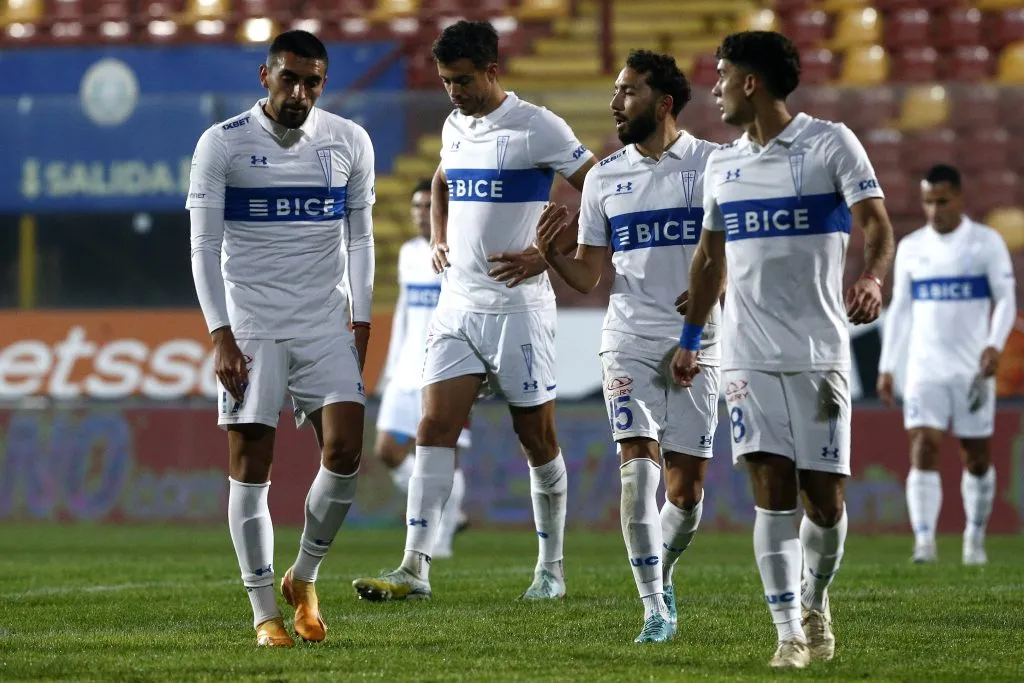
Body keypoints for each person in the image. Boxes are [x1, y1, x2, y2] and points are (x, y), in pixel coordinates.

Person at [670, 31, 895, 668]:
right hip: (746, 354)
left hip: (821, 354)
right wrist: (692, 340)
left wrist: (872, 277)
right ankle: (787, 632)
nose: (711, 90)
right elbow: (710, 255)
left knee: (824, 502)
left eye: (720, 77)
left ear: (751, 82)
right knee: (771, 485)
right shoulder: (721, 164)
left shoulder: (829, 144)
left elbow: (877, 222)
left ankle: (816, 598)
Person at [351, 19, 595, 602]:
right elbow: (440, 178)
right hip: (456, 305)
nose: (454, 92)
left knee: (534, 435)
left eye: (462, 80)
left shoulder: (537, 126)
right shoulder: (455, 125)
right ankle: (414, 567)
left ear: (492, 70)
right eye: (444, 82)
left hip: (517, 310)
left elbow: (606, 187)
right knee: (432, 427)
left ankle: (551, 570)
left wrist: (549, 255)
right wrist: (438, 234)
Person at [187, 30, 375, 647]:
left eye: (312, 81)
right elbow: (204, 246)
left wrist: (364, 320)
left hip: (325, 321)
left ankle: (305, 578)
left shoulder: (349, 141)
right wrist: (220, 334)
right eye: (288, 78)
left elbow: (361, 240)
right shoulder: (222, 144)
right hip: (253, 328)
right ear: (263, 76)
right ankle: (266, 612)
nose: (299, 92)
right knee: (251, 467)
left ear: (324, 82)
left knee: (346, 451)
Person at [534, 50, 718, 644]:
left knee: (686, 495)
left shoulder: (716, 167)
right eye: (615, 91)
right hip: (629, 340)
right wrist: (555, 257)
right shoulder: (606, 178)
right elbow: (590, 276)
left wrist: (716, 288)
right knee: (638, 473)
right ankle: (653, 609)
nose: (616, 103)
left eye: (628, 92)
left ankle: (660, 572)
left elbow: (740, 250)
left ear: (663, 103)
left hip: (704, 345)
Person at [877, 164, 1016, 566]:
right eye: (927, 201)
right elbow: (900, 309)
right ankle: (924, 543)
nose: (934, 209)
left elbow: (1005, 299)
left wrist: (994, 345)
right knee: (923, 446)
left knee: (976, 456)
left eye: (941, 200)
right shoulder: (912, 247)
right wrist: (888, 366)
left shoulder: (985, 243)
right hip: (924, 368)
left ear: (959, 198)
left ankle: (974, 538)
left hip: (973, 370)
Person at [375, 179, 471, 559]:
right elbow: (403, 310)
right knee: (386, 450)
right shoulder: (408, 253)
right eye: (415, 206)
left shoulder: (460, 252)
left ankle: (442, 539)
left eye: (426, 205)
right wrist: (389, 365)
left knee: (443, 453)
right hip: (405, 370)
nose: (419, 213)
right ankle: (442, 507)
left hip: (446, 369)